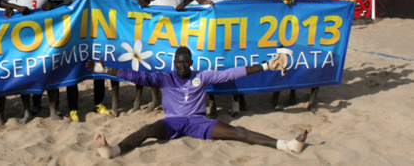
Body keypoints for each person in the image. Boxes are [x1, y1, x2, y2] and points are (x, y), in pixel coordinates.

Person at [89, 46, 307, 159]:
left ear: (191, 63)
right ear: (174, 63)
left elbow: (232, 73)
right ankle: (114, 150)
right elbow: (137, 76)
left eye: (186, 62)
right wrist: (107, 70)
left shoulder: (202, 76)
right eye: (179, 62)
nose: (182, 65)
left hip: (198, 122)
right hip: (173, 122)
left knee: (239, 132)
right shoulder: (165, 77)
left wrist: (267, 66)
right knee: (147, 129)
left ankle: (286, 145)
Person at [48, 0, 114, 121]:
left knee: (97, 66)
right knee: (74, 69)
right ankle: (73, 108)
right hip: (75, 34)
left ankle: (98, 103)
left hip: (95, 32)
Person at [94, 0, 153, 115]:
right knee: (114, 60)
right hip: (119, 23)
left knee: (138, 61)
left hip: (137, 24)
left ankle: (138, 98)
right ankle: (114, 100)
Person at [1, 0, 61, 123]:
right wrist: (14, 7)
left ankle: (53, 111)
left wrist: (54, 4)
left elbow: (64, 1)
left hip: (46, 39)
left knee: (51, 72)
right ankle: (27, 113)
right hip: (24, 41)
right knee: (26, 75)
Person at [277, 0, 334, 112]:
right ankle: (292, 92)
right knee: (294, 59)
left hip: (316, 26)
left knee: (316, 61)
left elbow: (327, 1)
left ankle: (313, 98)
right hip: (296, 24)